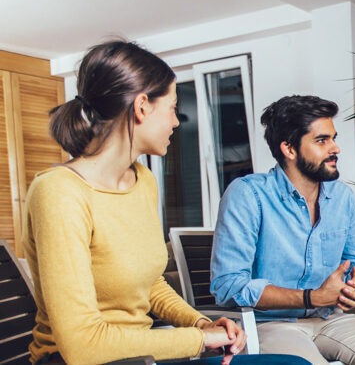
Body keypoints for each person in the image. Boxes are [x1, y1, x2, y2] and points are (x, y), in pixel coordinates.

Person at [23, 40, 246, 365]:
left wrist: (200, 322)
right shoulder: (59, 192)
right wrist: (198, 339)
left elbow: (150, 281)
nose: (176, 121)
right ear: (142, 107)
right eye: (171, 107)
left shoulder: (142, 180)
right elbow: (83, 346)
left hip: (142, 356)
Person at [209, 95, 355, 365]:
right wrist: (312, 296)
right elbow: (228, 285)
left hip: (331, 320)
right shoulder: (248, 195)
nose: (336, 148)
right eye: (322, 141)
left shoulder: (342, 197)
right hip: (269, 325)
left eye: (333, 138)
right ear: (289, 149)